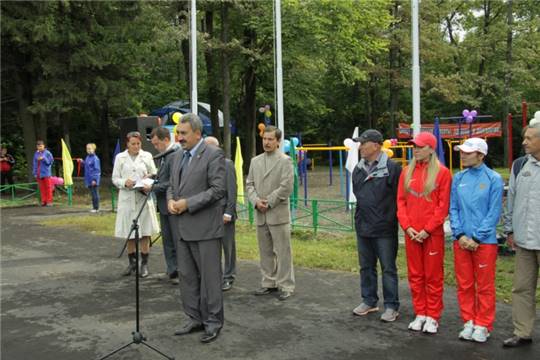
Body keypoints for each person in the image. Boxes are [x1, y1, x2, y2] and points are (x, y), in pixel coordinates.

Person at [167, 114, 226, 343]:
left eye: (183, 133)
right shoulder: (177, 156)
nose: (179, 137)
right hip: (181, 228)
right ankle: (194, 318)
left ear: (198, 134)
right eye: (178, 133)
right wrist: (172, 200)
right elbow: (173, 186)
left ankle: (213, 322)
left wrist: (187, 204)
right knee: (188, 277)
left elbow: (218, 189)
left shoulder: (213, 154)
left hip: (205, 229)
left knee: (210, 279)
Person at [449, 137, 503, 343]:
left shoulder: (494, 179)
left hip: (484, 242)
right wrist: (460, 234)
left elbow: (494, 211)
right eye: (462, 151)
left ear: (481, 155)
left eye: (468, 152)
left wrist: (478, 237)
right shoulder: (458, 177)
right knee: (464, 283)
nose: (462, 155)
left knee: (485, 285)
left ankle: (483, 324)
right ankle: (469, 320)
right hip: (461, 240)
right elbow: (453, 208)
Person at [397, 132, 452, 333]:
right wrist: (407, 226)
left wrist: (427, 230)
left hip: (432, 235)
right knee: (415, 275)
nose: (416, 149)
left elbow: (442, 206)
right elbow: (400, 202)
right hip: (411, 233)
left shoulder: (443, 173)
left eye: (420, 146)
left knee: (433, 276)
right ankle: (420, 313)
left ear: (431, 148)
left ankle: (433, 316)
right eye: (415, 146)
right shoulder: (406, 171)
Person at [352, 129, 402, 322]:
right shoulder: (358, 169)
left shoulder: (392, 168)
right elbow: (359, 195)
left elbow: (399, 198)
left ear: (376, 145)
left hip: (384, 228)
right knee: (366, 266)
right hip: (363, 226)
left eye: (364, 143)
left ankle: (391, 306)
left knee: (388, 268)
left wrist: (388, 219)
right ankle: (369, 300)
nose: (361, 147)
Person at [502, 121, 540, 348]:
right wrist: (509, 230)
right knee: (521, 288)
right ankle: (522, 332)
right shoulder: (519, 166)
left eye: (530, 138)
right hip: (525, 241)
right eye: (525, 137)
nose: (524, 142)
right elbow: (512, 201)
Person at [246, 125, 295, 301]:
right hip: (261, 213)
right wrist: (256, 201)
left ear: (278, 142)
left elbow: (287, 186)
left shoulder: (285, 161)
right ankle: (268, 282)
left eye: (270, 139)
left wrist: (269, 201)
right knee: (265, 251)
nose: (266, 142)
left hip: (277, 213)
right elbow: (249, 184)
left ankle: (286, 285)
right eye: (264, 139)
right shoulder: (255, 161)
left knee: (283, 252)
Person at [112, 131, 159, 278]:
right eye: (133, 144)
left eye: (138, 144)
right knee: (130, 232)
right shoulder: (120, 158)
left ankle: (144, 264)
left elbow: (154, 172)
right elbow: (115, 178)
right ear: (127, 144)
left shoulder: (147, 156)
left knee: (145, 232)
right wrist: (124, 182)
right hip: (127, 198)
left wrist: (148, 178)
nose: (136, 146)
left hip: (143, 196)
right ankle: (132, 263)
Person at [205, 136, 238, 291]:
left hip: (224, 213)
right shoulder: (204, 165)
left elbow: (232, 190)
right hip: (209, 214)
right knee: (212, 248)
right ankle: (215, 277)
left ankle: (229, 277)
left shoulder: (227, 164)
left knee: (228, 247)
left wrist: (229, 212)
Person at [150, 126, 181, 285]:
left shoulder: (174, 155)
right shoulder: (164, 156)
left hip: (172, 204)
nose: (155, 147)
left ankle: (180, 271)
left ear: (166, 140)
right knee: (167, 240)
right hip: (163, 205)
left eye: (157, 144)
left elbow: (172, 181)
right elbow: (164, 175)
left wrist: (153, 187)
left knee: (176, 240)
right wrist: (153, 177)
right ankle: (171, 269)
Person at [32, 140, 54, 206]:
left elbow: (50, 162)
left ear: (44, 146)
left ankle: (49, 201)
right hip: (39, 173)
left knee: (48, 187)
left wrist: (43, 158)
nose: (40, 147)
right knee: (42, 188)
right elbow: (34, 163)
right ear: (37, 147)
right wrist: (35, 173)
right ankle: (44, 201)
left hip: (46, 173)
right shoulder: (36, 153)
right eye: (38, 146)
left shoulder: (47, 153)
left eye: (41, 146)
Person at [83, 143, 101, 213]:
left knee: (95, 194)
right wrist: (82, 162)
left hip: (93, 180)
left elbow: (97, 170)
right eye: (87, 149)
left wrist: (94, 180)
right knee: (92, 194)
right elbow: (86, 166)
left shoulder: (95, 158)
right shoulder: (87, 157)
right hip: (89, 179)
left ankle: (96, 208)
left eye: (90, 149)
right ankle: (94, 207)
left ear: (94, 149)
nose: (89, 150)